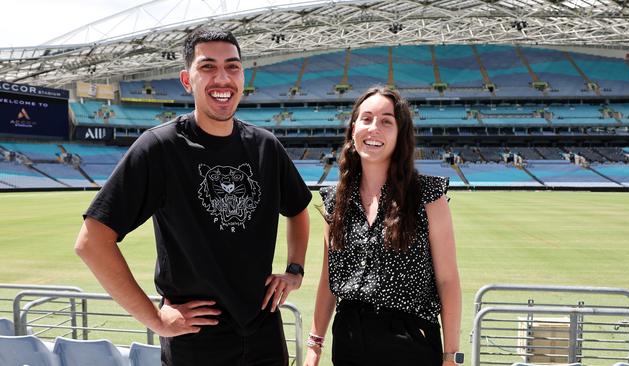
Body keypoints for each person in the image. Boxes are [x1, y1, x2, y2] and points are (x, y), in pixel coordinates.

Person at [74, 28, 312, 366]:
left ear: (243, 75)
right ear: (187, 79)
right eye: (208, 67)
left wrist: (295, 269)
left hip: (264, 336)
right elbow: (91, 241)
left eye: (232, 67)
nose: (222, 78)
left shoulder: (265, 146)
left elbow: (299, 208)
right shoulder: (160, 148)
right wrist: (154, 320)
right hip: (196, 342)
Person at [304, 87, 462, 366]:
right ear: (354, 129)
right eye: (366, 119)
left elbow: (448, 281)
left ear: (400, 134)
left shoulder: (427, 196)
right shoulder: (335, 200)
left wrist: (451, 356)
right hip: (350, 340)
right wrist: (314, 346)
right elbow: (329, 281)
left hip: (411, 341)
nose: (374, 128)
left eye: (386, 121)